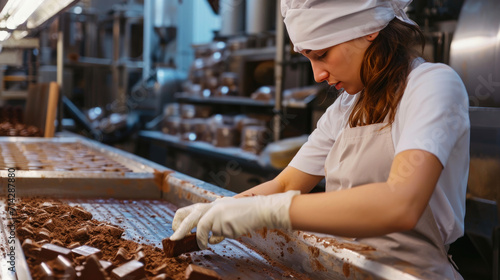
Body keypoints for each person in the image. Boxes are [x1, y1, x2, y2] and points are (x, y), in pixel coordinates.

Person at [170, 0, 470, 278]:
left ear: (368, 31)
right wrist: (221, 208)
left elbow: (400, 203)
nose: (317, 75)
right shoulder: (345, 108)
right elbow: (286, 184)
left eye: (322, 55)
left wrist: (268, 211)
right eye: (308, 59)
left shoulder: (433, 86)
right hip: (344, 266)